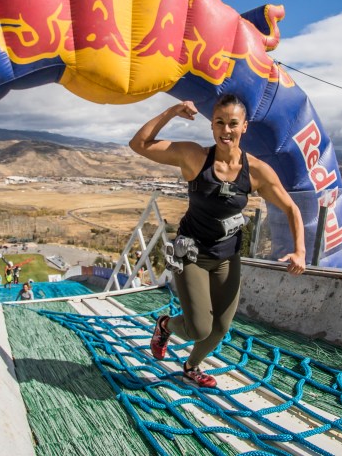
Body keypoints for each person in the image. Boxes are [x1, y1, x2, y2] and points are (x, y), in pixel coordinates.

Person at [129, 94, 306, 388]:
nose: (226, 130)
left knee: (220, 328)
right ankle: (165, 325)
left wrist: (299, 251)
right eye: (219, 123)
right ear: (211, 126)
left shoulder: (257, 171)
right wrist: (173, 110)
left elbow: (290, 208)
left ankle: (191, 366)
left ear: (244, 127)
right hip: (190, 253)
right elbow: (140, 144)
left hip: (227, 256)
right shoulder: (194, 156)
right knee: (199, 328)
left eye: (233, 124)